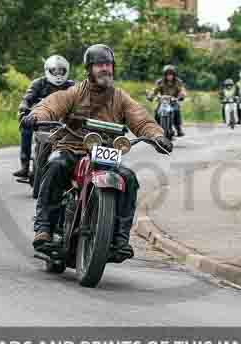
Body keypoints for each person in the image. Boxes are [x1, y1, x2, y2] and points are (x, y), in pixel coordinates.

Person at [20, 44, 173, 262]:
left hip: (105, 153)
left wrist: (157, 136)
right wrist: (36, 116)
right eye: (100, 65)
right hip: (73, 147)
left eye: (108, 64)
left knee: (128, 178)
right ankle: (44, 226)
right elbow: (52, 104)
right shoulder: (75, 92)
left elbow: (140, 119)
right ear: (89, 69)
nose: (105, 69)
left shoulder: (121, 98)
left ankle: (120, 239)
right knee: (56, 164)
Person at [12, 55, 75, 179]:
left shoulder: (72, 86)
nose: (58, 74)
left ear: (66, 71)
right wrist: (24, 109)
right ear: (48, 70)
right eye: (54, 71)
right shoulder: (38, 83)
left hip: (65, 121)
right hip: (41, 120)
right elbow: (27, 99)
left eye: (61, 70)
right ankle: (25, 165)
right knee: (26, 128)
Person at [147, 64, 187, 137]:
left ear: (174, 75)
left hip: (173, 101)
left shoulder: (178, 82)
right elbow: (154, 90)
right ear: (165, 75)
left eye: (171, 74)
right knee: (156, 111)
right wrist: (151, 96)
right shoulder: (160, 82)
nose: (169, 76)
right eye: (167, 74)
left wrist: (181, 95)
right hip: (163, 102)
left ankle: (178, 129)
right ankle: (156, 128)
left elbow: (182, 90)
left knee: (176, 110)